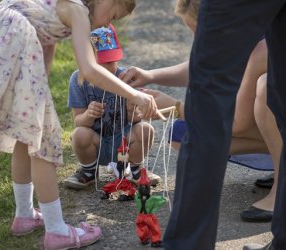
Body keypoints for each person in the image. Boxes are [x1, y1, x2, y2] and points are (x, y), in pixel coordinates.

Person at [0, 0, 162, 249]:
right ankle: (57, 231)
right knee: (42, 139)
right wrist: (134, 95)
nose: (108, 24)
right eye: (113, 14)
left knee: (26, 134)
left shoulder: (57, 7)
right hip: (13, 41)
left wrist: (39, 93)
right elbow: (89, 70)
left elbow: (44, 45)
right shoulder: (77, 9)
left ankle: (25, 215)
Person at [120, 0, 286, 249]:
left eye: (202, 32)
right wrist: (152, 75)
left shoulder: (258, 49)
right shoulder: (254, 35)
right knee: (179, 133)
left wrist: (176, 106)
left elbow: (231, 118)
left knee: (250, 100)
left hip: (251, 123)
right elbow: (204, 66)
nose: (200, 41)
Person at [63, 24, 160, 191]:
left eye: (112, 60)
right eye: (102, 63)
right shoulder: (78, 80)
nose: (109, 68)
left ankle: (134, 169)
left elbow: (136, 120)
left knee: (146, 129)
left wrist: (132, 111)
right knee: (79, 134)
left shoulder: (126, 77)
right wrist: (88, 115)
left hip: (124, 143)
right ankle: (89, 171)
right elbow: (78, 121)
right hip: (97, 144)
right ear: (85, 60)